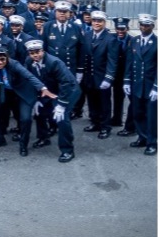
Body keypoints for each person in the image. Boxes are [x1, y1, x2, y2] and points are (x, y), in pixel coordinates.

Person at [0, 45, 56, 156]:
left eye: (2, 59)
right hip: (4, 91)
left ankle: (23, 145)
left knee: (25, 119)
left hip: (21, 93)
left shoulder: (14, 65)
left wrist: (43, 88)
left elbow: (29, 76)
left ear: (7, 58)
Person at [24, 40, 80, 163]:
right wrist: (37, 99)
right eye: (32, 53)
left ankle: (67, 150)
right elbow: (31, 81)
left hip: (67, 91)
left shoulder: (54, 62)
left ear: (42, 51)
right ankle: (43, 138)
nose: (35, 55)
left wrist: (61, 104)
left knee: (61, 118)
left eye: (37, 52)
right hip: (48, 90)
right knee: (39, 112)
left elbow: (66, 83)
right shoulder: (28, 62)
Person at [124, 14, 158, 156]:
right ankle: (142, 137)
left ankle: (152, 142)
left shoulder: (156, 42)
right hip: (136, 84)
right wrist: (126, 80)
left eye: (147, 25)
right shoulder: (135, 40)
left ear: (152, 26)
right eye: (141, 25)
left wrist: (157, 86)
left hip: (150, 85)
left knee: (151, 116)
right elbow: (130, 62)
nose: (143, 28)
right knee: (137, 113)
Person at [81, 11, 118, 140]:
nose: (96, 23)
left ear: (104, 22)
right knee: (91, 101)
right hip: (89, 76)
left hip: (102, 77)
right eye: (94, 21)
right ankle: (95, 123)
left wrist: (109, 78)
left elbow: (112, 61)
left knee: (104, 103)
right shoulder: (87, 35)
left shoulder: (110, 39)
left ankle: (105, 127)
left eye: (99, 21)